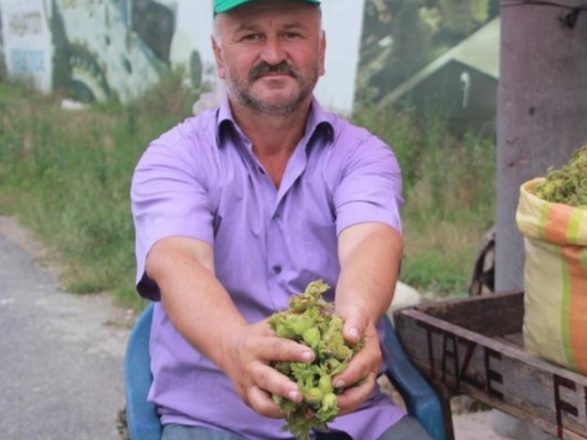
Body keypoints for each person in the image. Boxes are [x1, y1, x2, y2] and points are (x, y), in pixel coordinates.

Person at [130, 1, 431, 438]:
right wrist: (236, 347)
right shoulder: (174, 158)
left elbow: (371, 242)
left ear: (322, 51)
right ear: (219, 56)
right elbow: (180, 263)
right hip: (213, 417)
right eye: (251, 36)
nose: (273, 54)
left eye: (291, 33)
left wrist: (357, 322)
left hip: (343, 411)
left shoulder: (363, 157)